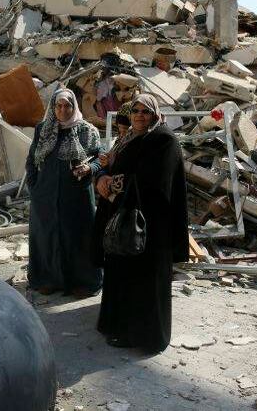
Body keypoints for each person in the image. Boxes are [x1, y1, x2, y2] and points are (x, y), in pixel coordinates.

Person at [93, 94, 189, 352]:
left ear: (155, 114)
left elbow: (153, 183)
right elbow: (112, 163)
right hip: (125, 217)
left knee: (145, 283)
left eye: (145, 111)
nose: (139, 115)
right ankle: (121, 330)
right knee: (122, 275)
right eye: (135, 110)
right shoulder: (129, 138)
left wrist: (110, 186)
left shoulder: (164, 140)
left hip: (151, 226)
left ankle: (146, 339)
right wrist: (102, 175)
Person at [25, 88, 103, 297]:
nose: (63, 110)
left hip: (76, 195)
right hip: (45, 195)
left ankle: (82, 282)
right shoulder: (43, 129)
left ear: (74, 106)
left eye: (67, 105)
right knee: (46, 237)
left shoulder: (87, 131)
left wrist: (90, 169)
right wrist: (34, 187)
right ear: (53, 107)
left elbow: (100, 158)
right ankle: (48, 279)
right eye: (58, 106)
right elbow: (32, 160)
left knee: (78, 238)